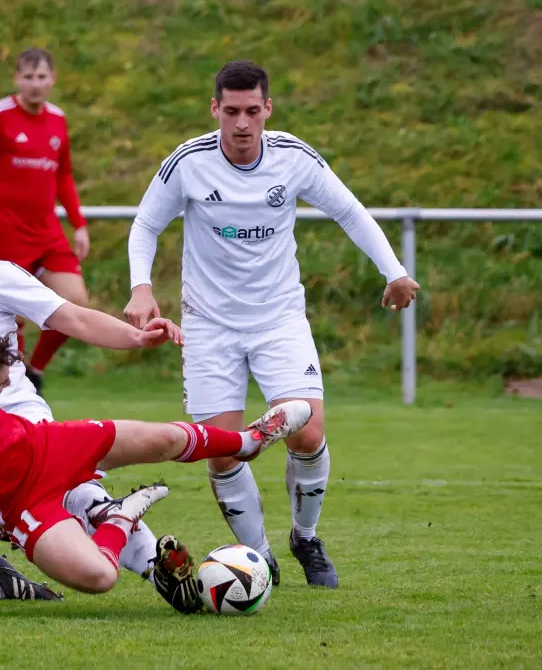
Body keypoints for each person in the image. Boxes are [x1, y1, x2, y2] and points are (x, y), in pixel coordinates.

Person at [0, 181, 312, 621]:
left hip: (30, 433)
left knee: (117, 466)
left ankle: (188, 519)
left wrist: (135, 338)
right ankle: (11, 574)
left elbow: (73, 317)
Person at [123, 60, 421, 588]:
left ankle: (306, 537)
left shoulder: (293, 157)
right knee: (222, 449)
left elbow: (349, 211)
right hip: (209, 325)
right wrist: (140, 286)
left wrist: (394, 271)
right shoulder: (188, 162)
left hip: (278, 319)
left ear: (268, 109)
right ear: (215, 109)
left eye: (251, 111)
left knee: (308, 432)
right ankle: (258, 558)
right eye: (231, 111)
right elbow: (147, 223)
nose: (242, 123)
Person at [0, 47, 89, 391]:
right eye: (28, 77)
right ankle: (12, 386)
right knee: (11, 317)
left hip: (48, 233)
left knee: (75, 300)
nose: (35, 84)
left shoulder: (57, 119)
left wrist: (79, 224)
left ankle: (34, 368)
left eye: (42, 77)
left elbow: (64, 175)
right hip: (6, 232)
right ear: (17, 79)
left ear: (53, 79)